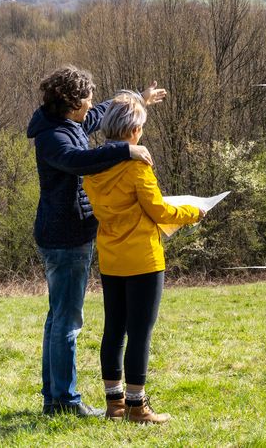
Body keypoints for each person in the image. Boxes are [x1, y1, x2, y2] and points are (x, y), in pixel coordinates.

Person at [27, 66, 166, 417]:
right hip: (65, 237)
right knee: (67, 321)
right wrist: (126, 152)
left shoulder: (69, 122)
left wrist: (139, 97)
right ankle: (64, 402)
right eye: (86, 98)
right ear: (72, 103)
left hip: (69, 234)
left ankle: (53, 396)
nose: (91, 105)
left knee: (57, 317)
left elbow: (104, 111)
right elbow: (80, 161)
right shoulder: (53, 138)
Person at [82, 92, 203, 424]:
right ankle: (137, 406)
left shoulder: (92, 169)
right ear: (133, 130)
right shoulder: (137, 168)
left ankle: (114, 404)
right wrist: (194, 211)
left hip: (110, 257)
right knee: (140, 333)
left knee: (114, 329)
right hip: (143, 260)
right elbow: (159, 209)